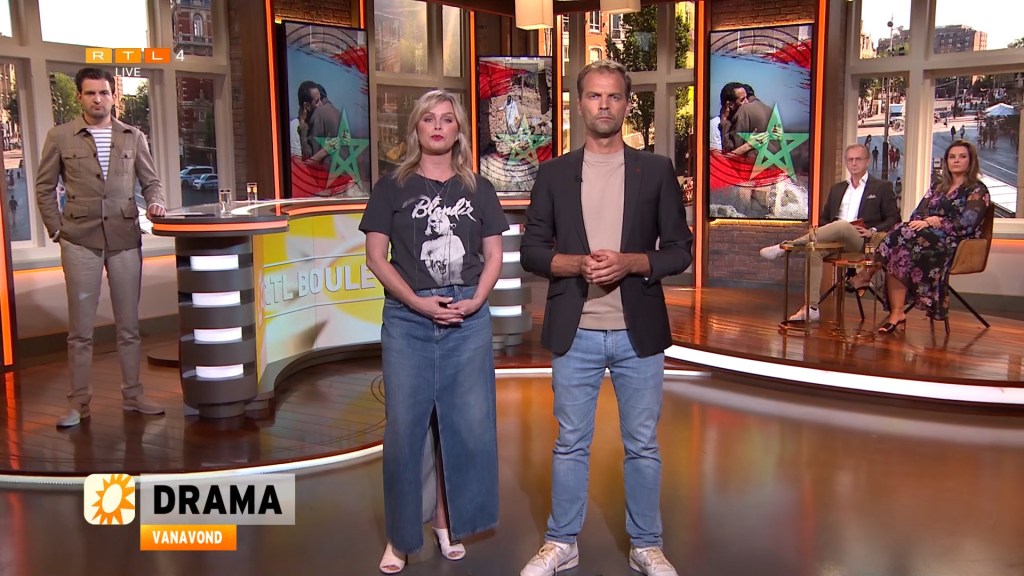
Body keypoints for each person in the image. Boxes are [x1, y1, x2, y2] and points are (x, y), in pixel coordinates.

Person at [519, 60, 692, 576]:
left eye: (613, 96)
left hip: (638, 333)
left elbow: (679, 251)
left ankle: (647, 545)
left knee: (643, 445)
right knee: (570, 443)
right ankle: (561, 542)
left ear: (627, 104)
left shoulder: (655, 170)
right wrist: (577, 264)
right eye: (594, 96)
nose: (603, 105)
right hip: (576, 331)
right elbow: (532, 251)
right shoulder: (553, 173)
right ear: (580, 104)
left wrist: (631, 262)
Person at [359, 90, 506, 574]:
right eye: (429, 119)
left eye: (447, 119)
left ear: (459, 130)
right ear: (417, 128)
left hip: (467, 317)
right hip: (409, 320)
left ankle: (447, 522)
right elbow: (376, 257)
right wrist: (417, 302)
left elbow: (493, 255)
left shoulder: (479, 188)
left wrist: (477, 300)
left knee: (465, 426)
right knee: (405, 431)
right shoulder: (391, 187)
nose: (438, 126)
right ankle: (401, 537)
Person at [34, 67, 166, 428]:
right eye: (90, 93)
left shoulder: (133, 136)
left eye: (104, 93)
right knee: (80, 331)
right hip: (80, 239)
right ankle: (79, 404)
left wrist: (156, 202)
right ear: (79, 97)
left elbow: (151, 182)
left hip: (124, 238)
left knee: (129, 326)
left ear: (113, 96)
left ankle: (133, 396)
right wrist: (57, 229)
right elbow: (44, 188)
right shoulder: (60, 137)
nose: (98, 99)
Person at [851, 140, 990, 333]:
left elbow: (967, 223)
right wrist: (924, 222)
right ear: (946, 161)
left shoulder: (977, 190)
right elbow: (917, 214)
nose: (956, 160)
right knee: (899, 247)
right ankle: (897, 313)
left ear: (971, 160)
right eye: (952, 157)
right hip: (923, 238)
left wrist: (936, 221)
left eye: (962, 156)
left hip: (954, 241)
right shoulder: (937, 187)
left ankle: (867, 274)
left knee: (900, 235)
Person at [759, 144, 899, 322]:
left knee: (841, 225)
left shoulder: (882, 187)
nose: (854, 163)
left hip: (861, 241)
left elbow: (894, 218)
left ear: (867, 162)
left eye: (858, 159)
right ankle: (811, 308)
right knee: (814, 250)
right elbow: (825, 219)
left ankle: (785, 246)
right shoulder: (837, 188)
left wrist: (872, 231)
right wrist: (827, 230)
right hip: (835, 240)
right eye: (850, 159)